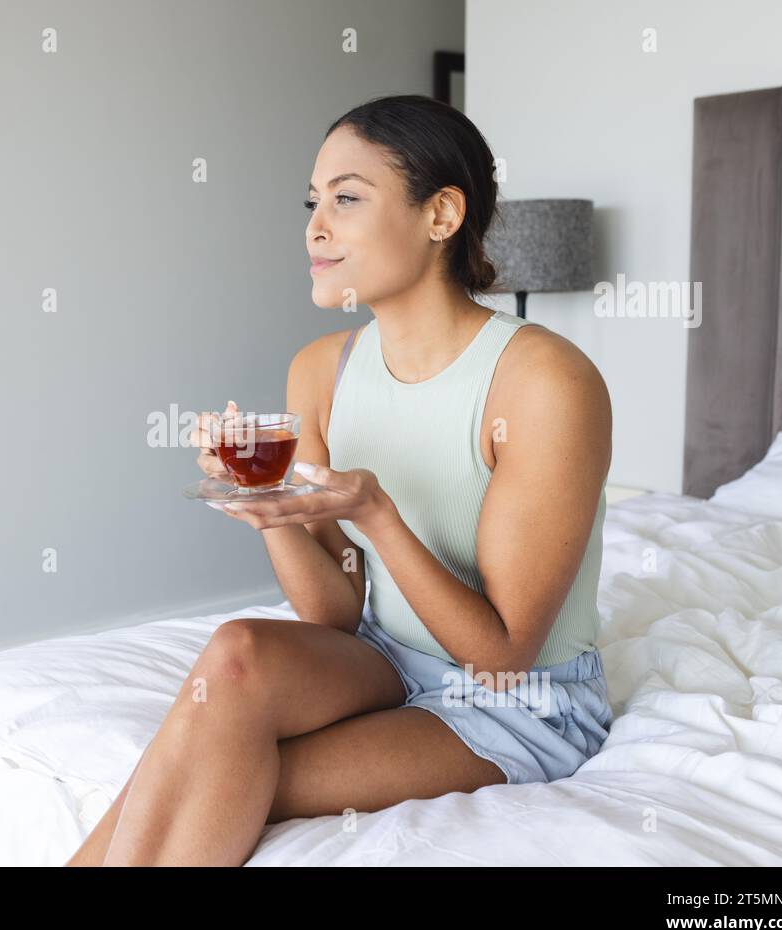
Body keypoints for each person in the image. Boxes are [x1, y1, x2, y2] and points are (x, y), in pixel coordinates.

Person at [67, 94, 613, 867]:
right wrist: (269, 506)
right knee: (236, 653)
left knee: (211, 764)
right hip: (385, 657)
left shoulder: (545, 381)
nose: (314, 227)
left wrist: (380, 516)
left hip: (516, 702)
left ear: (441, 214)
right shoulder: (321, 370)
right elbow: (334, 611)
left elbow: (500, 657)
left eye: (347, 199)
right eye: (313, 201)